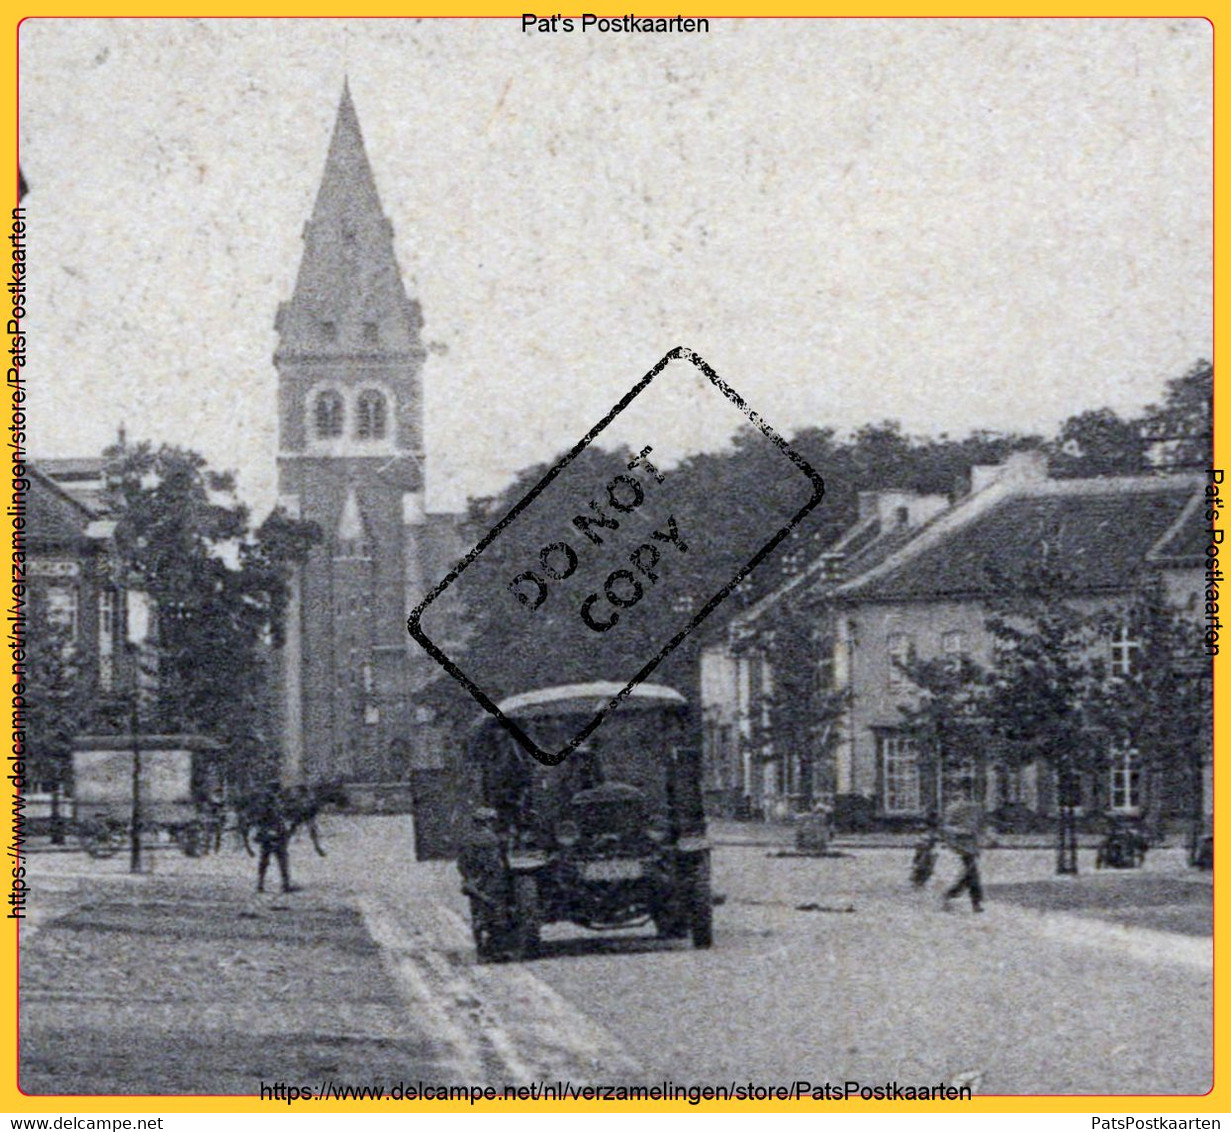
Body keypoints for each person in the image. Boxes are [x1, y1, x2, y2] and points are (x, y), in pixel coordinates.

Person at [940, 800, 984, 913]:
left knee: (970, 873)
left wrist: (978, 844)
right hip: (961, 846)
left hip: (970, 846)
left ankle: (952, 894)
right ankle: (975, 901)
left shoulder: (975, 808)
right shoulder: (952, 809)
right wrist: (962, 831)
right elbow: (946, 827)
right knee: (972, 873)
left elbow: (977, 828)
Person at [252, 783, 297, 894]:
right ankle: (268, 884)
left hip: (276, 834)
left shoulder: (274, 803)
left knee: (272, 859)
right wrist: (269, 830)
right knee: (273, 859)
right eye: (276, 791)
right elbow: (260, 820)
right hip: (271, 834)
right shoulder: (267, 804)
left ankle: (265, 884)